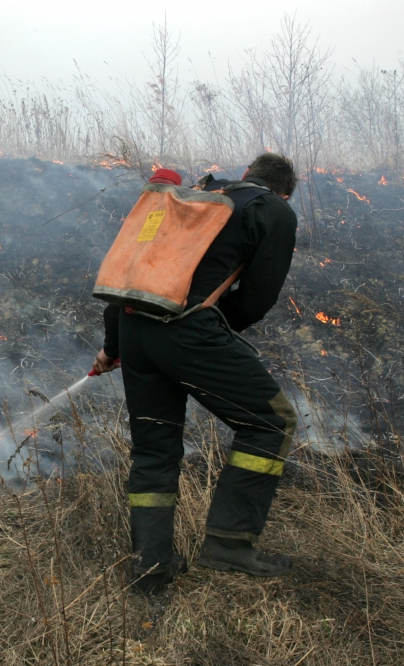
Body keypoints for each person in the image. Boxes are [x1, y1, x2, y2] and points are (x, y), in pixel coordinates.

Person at [92, 153, 300, 594]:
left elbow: (133, 273)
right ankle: (229, 543)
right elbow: (258, 297)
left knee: (153, 450)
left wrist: (114, 347)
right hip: (188, 332)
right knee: (271, 422)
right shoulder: (273, 210)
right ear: (283, 192)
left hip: (133, 325)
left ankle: (152, 567)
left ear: (245, 175)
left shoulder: (196, 197)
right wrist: (207, 330)